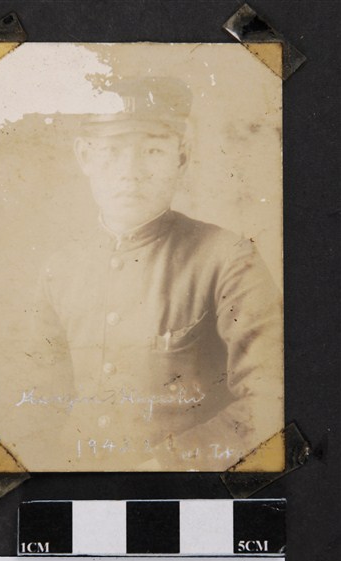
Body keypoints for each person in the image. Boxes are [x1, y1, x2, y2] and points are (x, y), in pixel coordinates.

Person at [28, 76, 283, 471]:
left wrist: (165, 464)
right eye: (111, 150)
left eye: (152, 150)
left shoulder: (229, 259)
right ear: (84, 156)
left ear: (182, 157)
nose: (130, 171)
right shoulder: (60, 269)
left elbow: (271, 402)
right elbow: (36, 405)